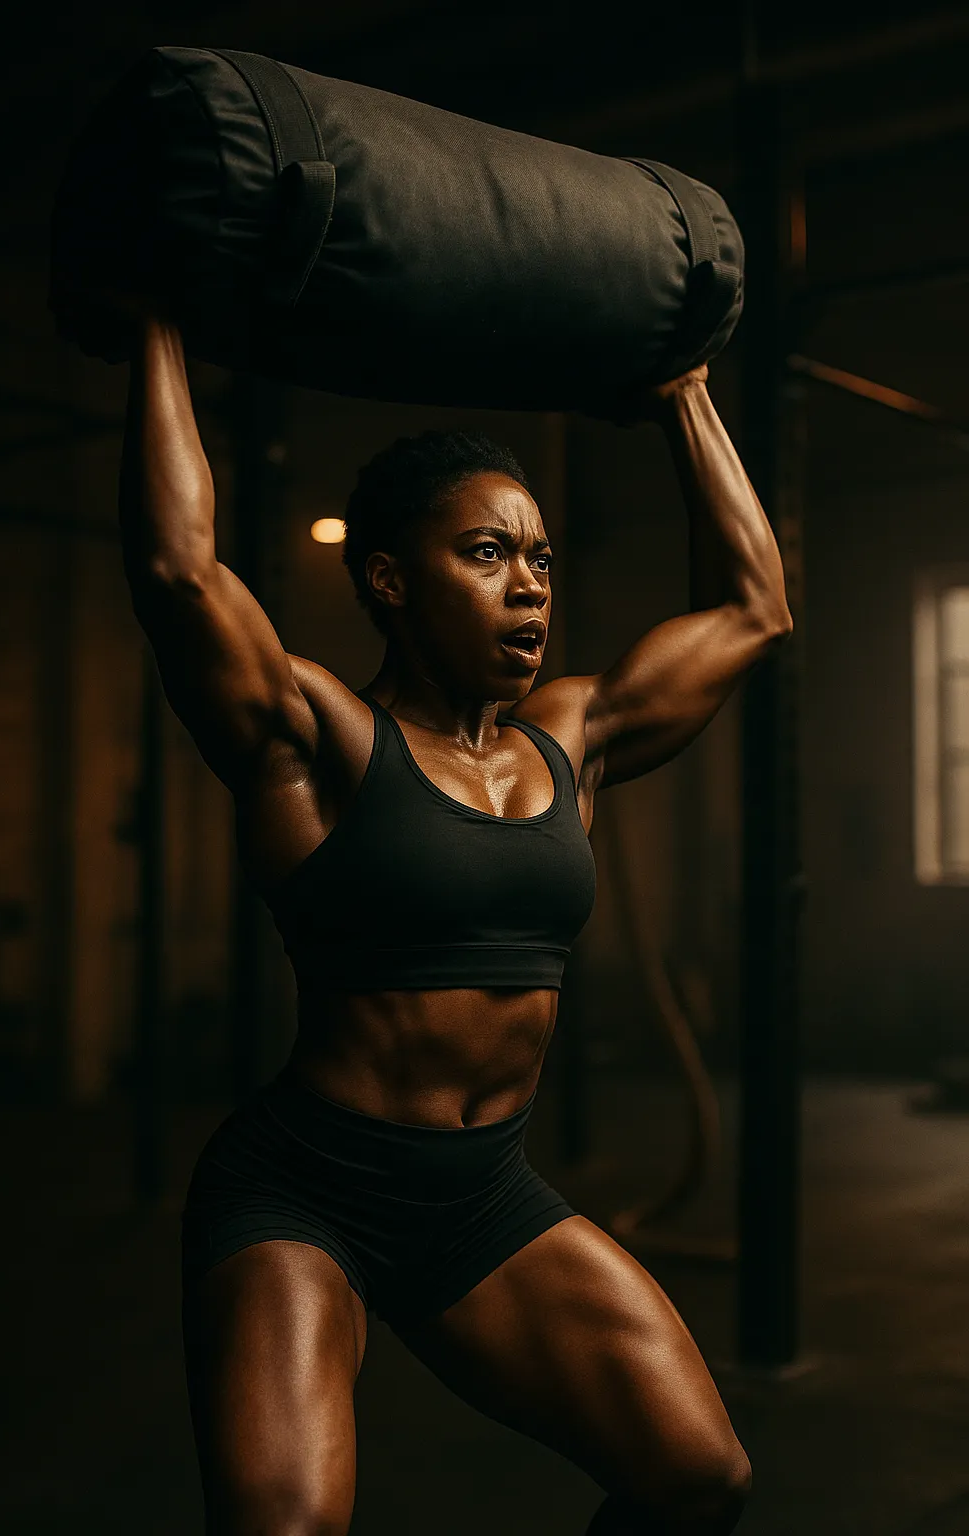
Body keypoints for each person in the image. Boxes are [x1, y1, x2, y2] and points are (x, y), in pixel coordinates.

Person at [119, 314, 791, 1536]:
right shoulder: (318, 739)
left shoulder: (574, 737)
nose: (528, 583)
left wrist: (684, 393)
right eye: (486, 553)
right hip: (305, 1192)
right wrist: (157, 325)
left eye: (539, 557)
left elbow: (755, 611)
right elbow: (179, 573)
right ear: (389, 580)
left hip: (480, 1197)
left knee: (701, 1479)